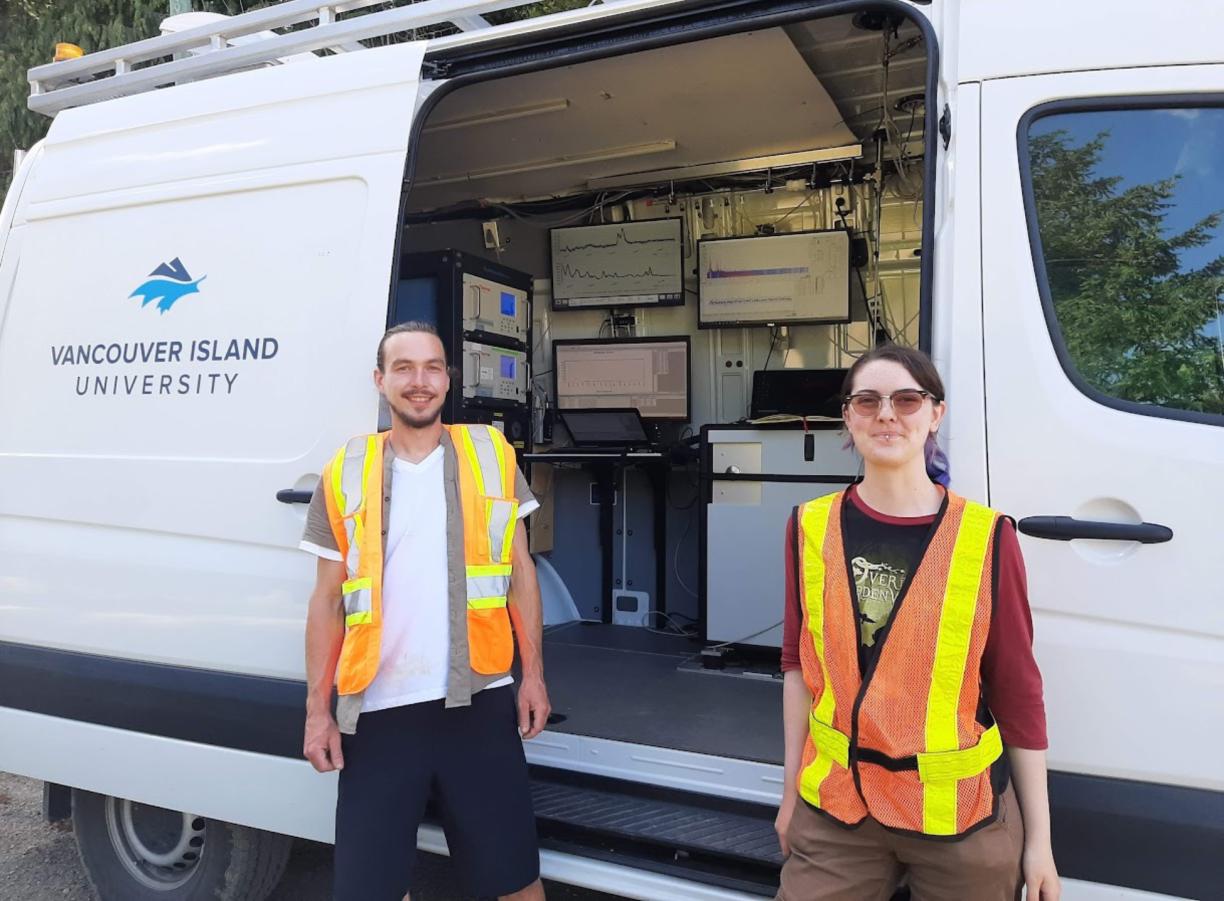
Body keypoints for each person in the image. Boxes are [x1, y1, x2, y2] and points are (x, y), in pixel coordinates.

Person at [774, 344, 1060, 901]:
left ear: (935, 414)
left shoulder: (985, 537)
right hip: (837, 812)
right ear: (848, 417)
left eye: (907, 399)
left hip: (959, 823)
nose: (886, 414)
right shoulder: (809, 526)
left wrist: (1040, 840)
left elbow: (1018, 692)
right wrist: (789, 798)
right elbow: (796, 667)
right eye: (867, 400)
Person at [299, 321, 550, 901]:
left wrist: (533, 676)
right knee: (372, 889)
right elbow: (327, 602)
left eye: (432, 367)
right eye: (404, 368)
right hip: (380, 713)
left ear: (447, 379)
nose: (420, 381)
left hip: (480, 703)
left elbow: (520, 574)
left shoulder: (490, 454)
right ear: (380, 380)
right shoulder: (345, 471)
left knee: (514, 883)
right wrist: (317, 711)